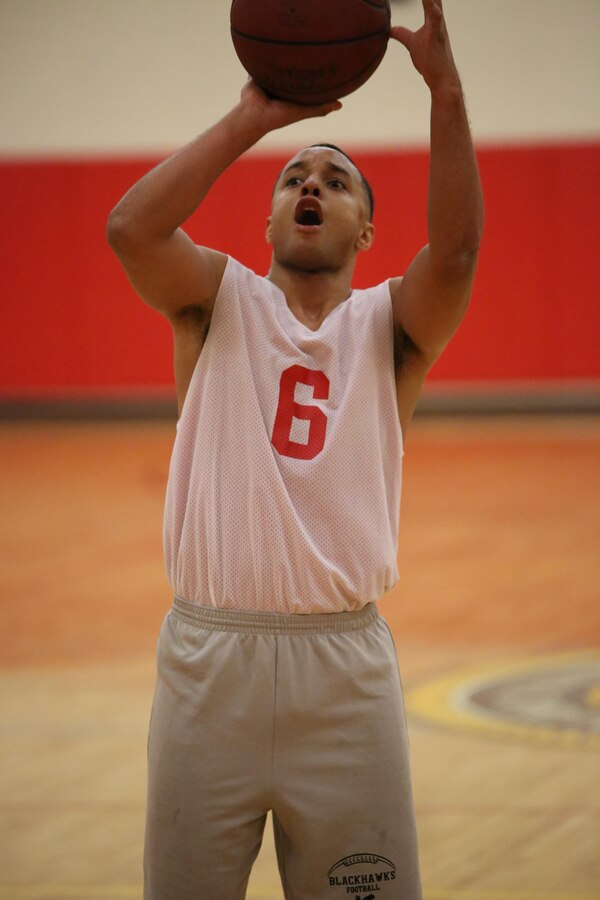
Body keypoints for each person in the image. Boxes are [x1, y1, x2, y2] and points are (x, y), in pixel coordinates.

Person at [107, 1, 483, 896]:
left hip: (344, 675)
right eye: (294, 178)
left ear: (365, 233)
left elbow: (460, 253)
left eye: (337, 179)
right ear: (268, 224)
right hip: (211, 663)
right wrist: (254, 119)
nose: (311, 182)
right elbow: (129, 231)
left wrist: (446, 88)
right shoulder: (215, 299)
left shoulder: (391, 327)